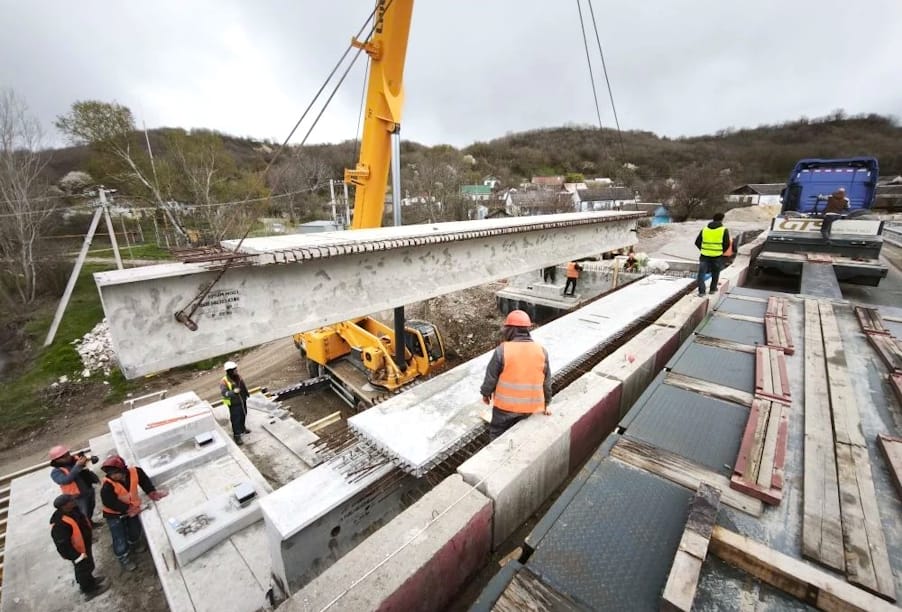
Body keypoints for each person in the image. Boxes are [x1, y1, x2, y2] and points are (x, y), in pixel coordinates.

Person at [480, 310, 552, 440]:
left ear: (510, 330)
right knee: (520, 437)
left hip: (504, 409)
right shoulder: (541, 351)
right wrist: (546, 403)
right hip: (530, 408)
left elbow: (490, 378)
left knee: (497, 436)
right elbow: (546, 382)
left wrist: (485, 394)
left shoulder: (502, 350)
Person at [100, 455, 167, 571]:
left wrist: (151, 492)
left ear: (123, 470)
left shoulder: (135, 472)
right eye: (110, 474)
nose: (113, 476)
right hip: (114, 514)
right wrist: (127, 508)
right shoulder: (107, 485)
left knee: (135, 529)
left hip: (132, 508)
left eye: (116, 472)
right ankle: (123, 556)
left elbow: (145, 481)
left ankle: (134, 543)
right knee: (119, 536)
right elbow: (109, 502)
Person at [50, 494, 108, 601]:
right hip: (76, 551)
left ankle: (91, 581)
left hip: (84, 545)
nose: (73, 501)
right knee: (82, 569)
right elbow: (63, 544)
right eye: (70, 501)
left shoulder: (73, 510)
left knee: (88, 565)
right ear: (64, 506)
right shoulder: (59, 523)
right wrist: (76, 556)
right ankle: (89, 590)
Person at [49, 445, 101, 527]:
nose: (68, 457)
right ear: (57, 460)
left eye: (68, 454)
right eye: (65, 456)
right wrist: (77, 466)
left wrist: (92, 458)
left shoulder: (75, 460)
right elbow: (66, 480)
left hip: (88, 489)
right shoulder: (56, 472)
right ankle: (85, 529)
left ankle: (90, 523)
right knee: (82, 514)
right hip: (77, 496)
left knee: (90, 508)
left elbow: (93, 459)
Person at [694, 212, 731, 297]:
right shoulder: (723, 230)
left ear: (713, 219)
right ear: (722, 219)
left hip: (704, 255)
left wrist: (703, 249)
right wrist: (721, 251)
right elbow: (727, 243)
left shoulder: (705, 229)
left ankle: (701, 292)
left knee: (701, 274)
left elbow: (697, 242)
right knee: (715, 273)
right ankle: (712, 289)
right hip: (717, 255)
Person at [220, 360, 251, 445]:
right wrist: (234, 392)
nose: (236, 370)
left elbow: (242, 385)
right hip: (233, 403)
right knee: (235, 419)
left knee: (244, 414)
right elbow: (224, 393)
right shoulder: (224, 381)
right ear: (230, 371)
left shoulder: (237, 376)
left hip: (242, 400)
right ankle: (237, 436)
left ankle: (242, 428)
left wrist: (247, 394)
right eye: (234, 369)